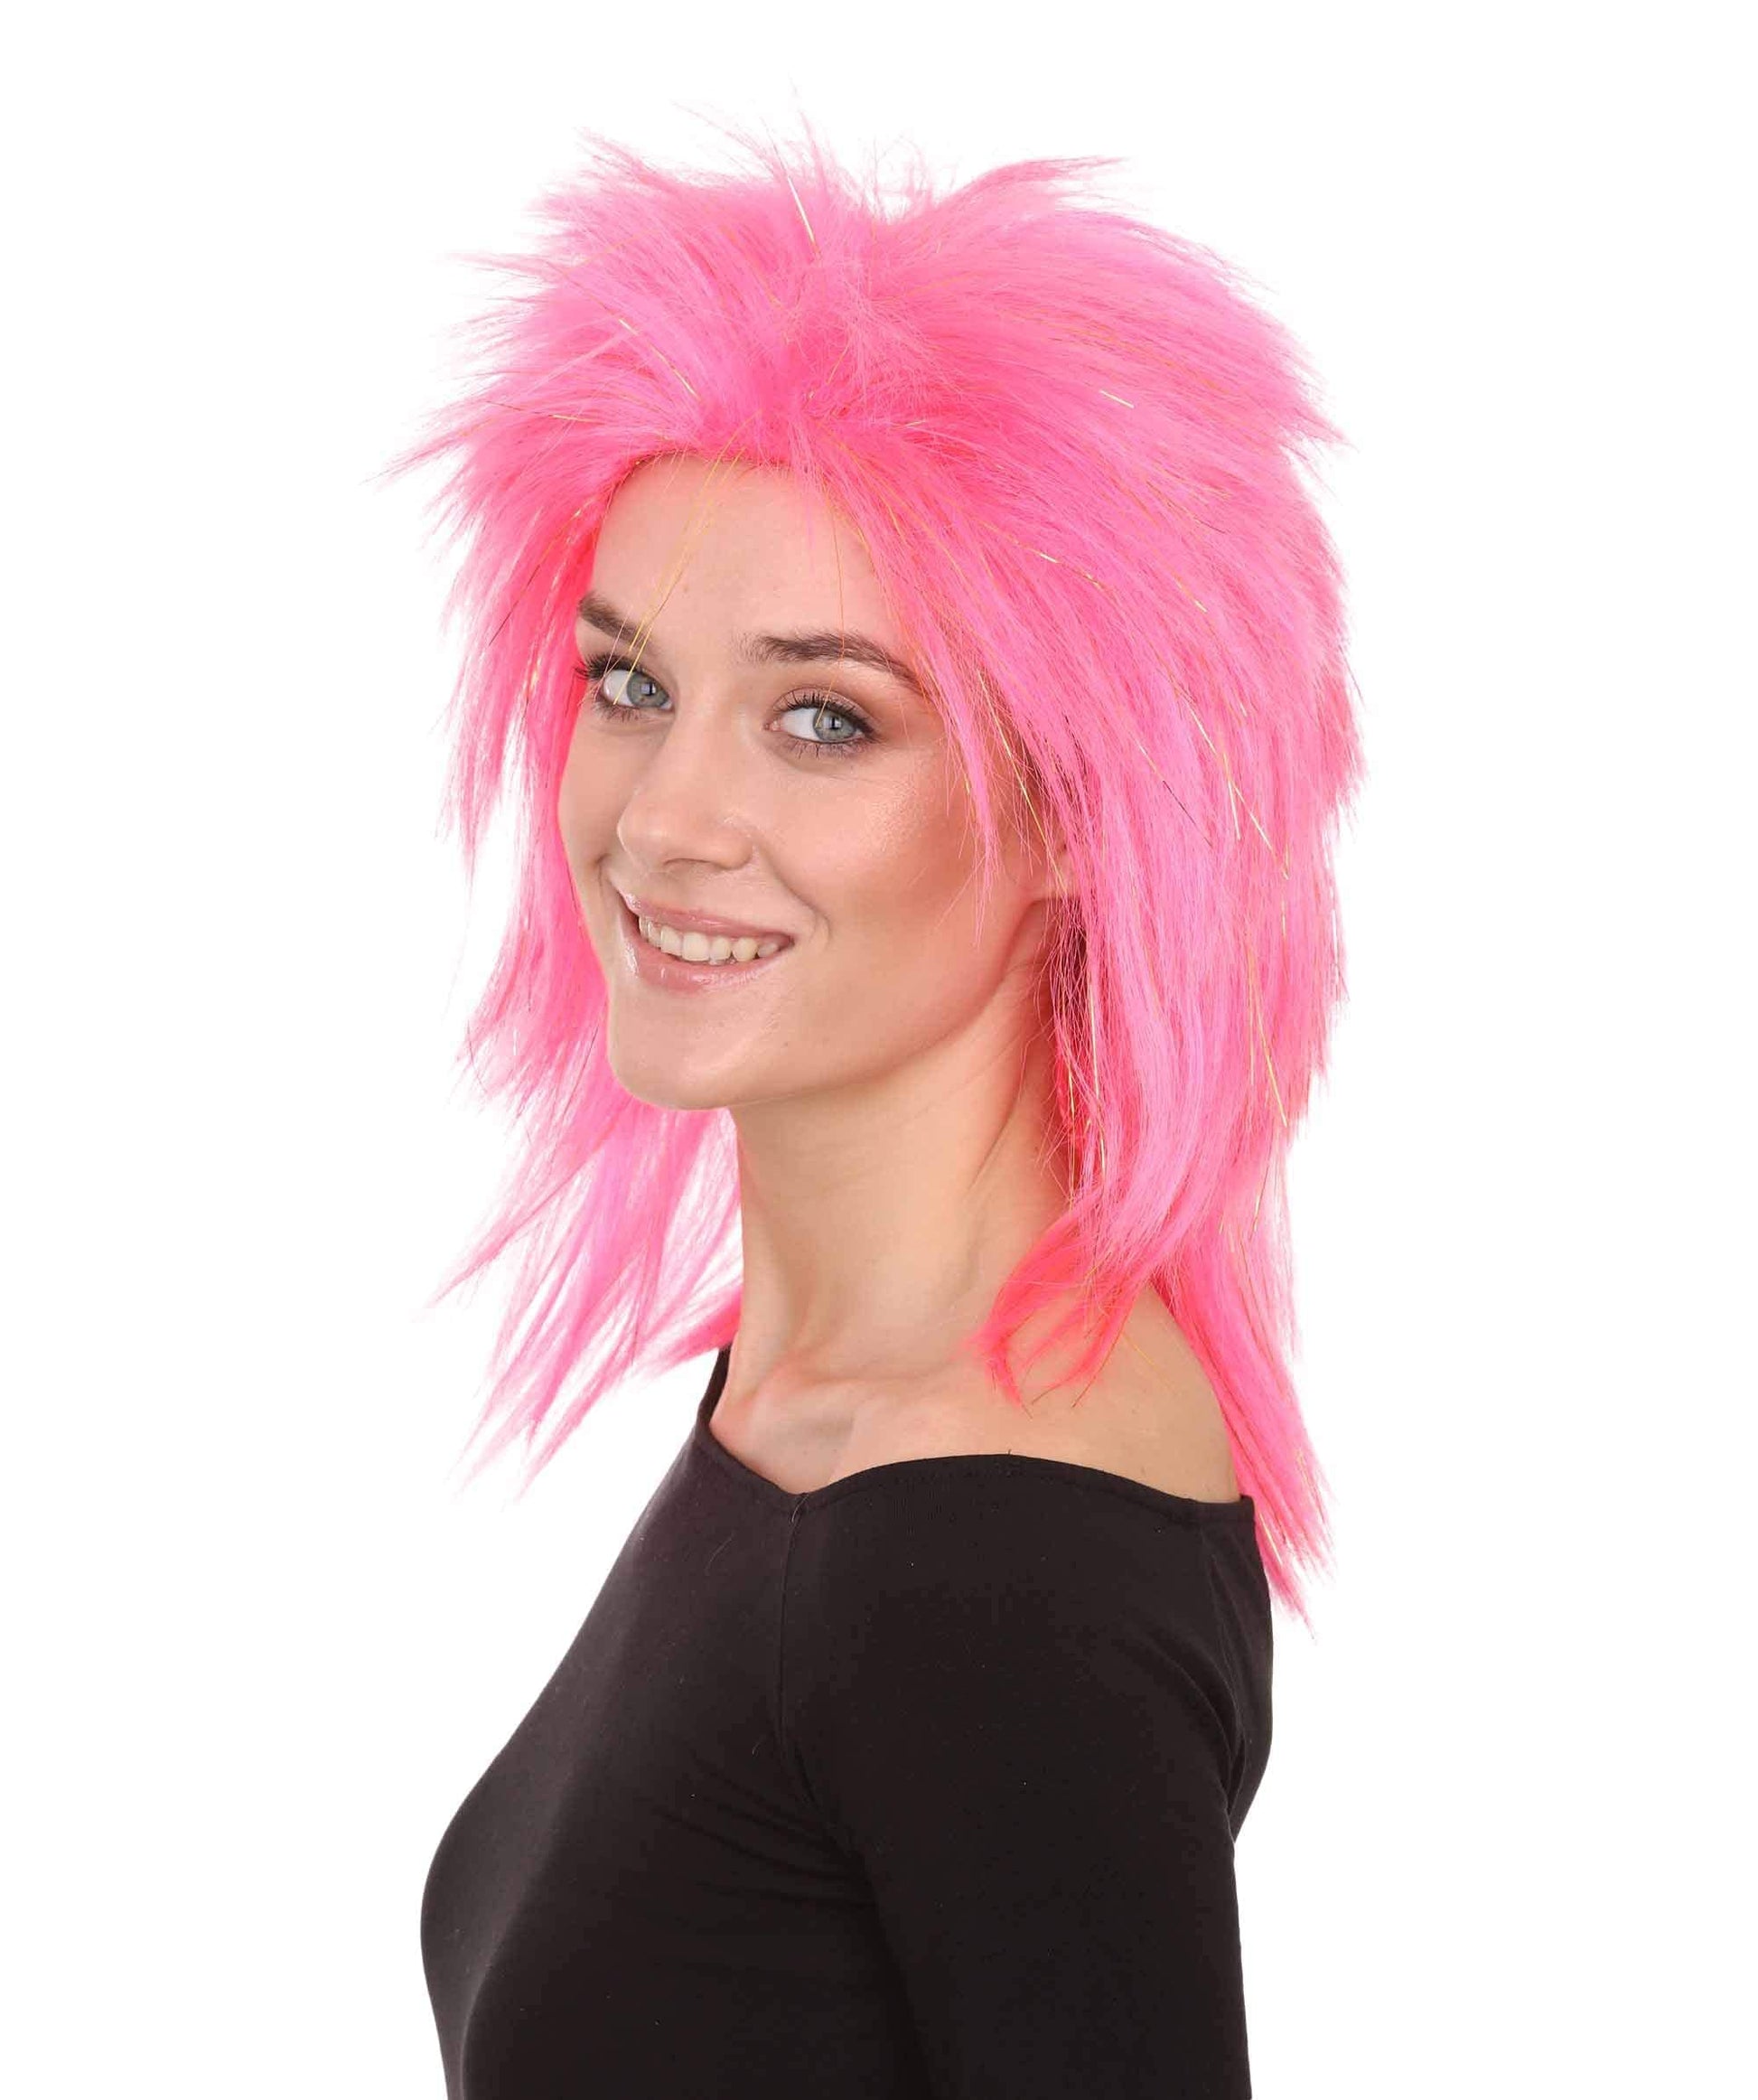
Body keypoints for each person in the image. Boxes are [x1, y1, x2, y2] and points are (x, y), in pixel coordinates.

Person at [393, 117, 1362, 2097]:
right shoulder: (817, 1411)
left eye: (823, 716)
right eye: (629, 683)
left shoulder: (987, 1556)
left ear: (1084, 814)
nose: (665, 818)